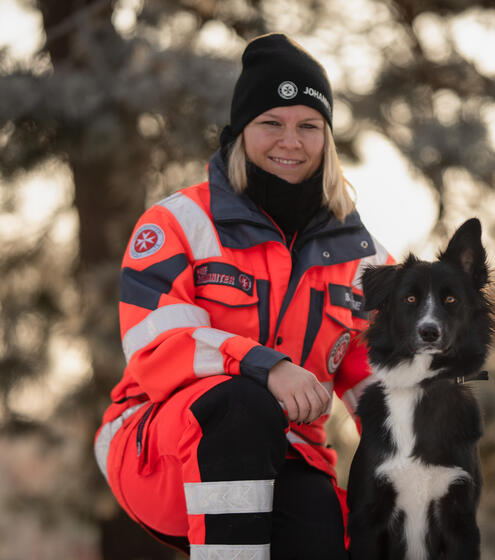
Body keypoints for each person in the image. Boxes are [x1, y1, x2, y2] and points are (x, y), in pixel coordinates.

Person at [94, 33, 393, 559]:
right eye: (271, 123)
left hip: (292, 455)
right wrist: (266, 366)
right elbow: (160, 348)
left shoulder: (364, 259)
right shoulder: (177, 224)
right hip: (159, 451)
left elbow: (384, 386)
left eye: (308, 126)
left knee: (326, 534)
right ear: (240, 133)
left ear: (327, 138)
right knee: (242, 402)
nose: (290, 141)